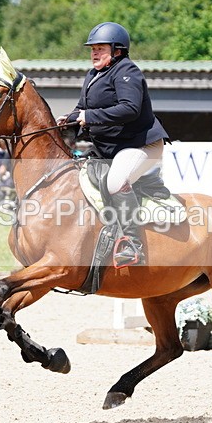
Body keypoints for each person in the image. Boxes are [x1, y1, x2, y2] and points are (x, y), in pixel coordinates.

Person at [58, 22, 169, 267]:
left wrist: (90, 117)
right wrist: (70, 119)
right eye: (92, 49)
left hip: (141, 145)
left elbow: (129, 109)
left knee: (116, 181)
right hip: (111, 148)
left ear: (117, 50)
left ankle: (132, 244)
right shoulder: (93, 75)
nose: (94, 53)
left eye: (100, 48)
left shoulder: (127, 71)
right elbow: (82, 109)